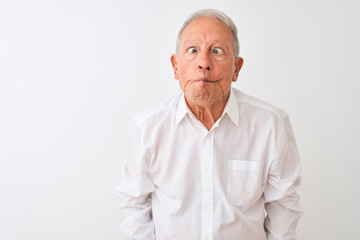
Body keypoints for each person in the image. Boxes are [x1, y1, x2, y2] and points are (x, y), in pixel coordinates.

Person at [114, 9, 302, 240]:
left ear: (237, 68)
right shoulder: (147, 128)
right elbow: (134, 206)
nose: (204, 63)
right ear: (175, 66)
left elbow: (283, 208)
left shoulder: (271, 125)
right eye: (192, 50)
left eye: (217, 51)